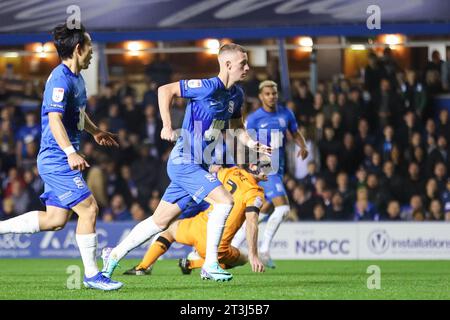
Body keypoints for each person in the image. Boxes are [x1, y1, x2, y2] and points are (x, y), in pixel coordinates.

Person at [102, 43, 271, 282]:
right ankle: (211, 264)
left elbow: (236, 128)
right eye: (243, 63)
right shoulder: (206, 86)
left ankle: (114, 254)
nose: (247, 67)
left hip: (199, 165)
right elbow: (165, 90)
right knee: (224, 202)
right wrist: (167, 125)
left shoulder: (237, 95)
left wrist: (253, 145)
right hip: (184, 160)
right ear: (227, 64)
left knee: (159, 221)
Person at [0, 23, 122, 290]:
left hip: (58, 158)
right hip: (57, 159)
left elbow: (77, 113)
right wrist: (70, 152)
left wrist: (95, 131)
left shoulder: (76, 79)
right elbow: (54, 119)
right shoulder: (59, 78)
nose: (92, 52)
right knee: (89, 209)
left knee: (55, 220)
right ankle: (91, 275)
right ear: (79, 49)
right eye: (90, 46)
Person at [123, 162, 269, 276]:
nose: (270, 169)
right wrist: (253, 255)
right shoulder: (255, 193)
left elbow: (211, 173)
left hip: (198, 226)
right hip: (217, 245)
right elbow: (251, 222)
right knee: (243, 259)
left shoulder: (232, 172)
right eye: (266, 166)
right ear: (252, 166)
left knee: (170, 230)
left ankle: (143, 267)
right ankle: (195, 264)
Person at [230, 80, 309, 268]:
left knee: (261, 208)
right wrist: (242, 166)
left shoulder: (286, 113)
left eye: (274, 93)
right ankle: (264, 249)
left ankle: (233, 245)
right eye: (267, 94)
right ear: (261, 96)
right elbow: (243, 141)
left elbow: (295, 132)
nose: (271, 96)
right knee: (283, 208)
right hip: (264, 166)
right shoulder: (255, 118)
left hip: (279, 167)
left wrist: (303, 145)